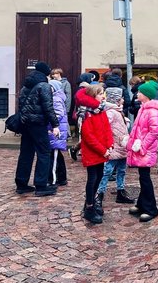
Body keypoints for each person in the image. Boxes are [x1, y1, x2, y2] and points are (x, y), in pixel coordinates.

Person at [15, 61, 60, 197]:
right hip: (38, 124)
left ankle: (21, 184)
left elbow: (21, 104)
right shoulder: (44, 86)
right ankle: (41, 185)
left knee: (26, 153)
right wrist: (55, 125)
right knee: (44, 152)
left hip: (26, 123)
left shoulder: (26, 85)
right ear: (46, 72)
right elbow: (48, 107)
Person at [127, 80, 158, 222]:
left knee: (145, 179)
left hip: (145, 150)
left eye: (140, 92)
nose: (138, 94)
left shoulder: (152, 111)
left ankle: (151, 209)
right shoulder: (143, 108)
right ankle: (142, 204)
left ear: (147, 95)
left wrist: (142, 146)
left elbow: (154, 132)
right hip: (141, 149)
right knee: (143, 178)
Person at [75, 85, 113, 224]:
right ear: (92, 96)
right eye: (100, 94)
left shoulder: (100, 110)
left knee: (99, 177)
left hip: (102, 150)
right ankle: (89, 207)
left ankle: (91, 202)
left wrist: (109, 144)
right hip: (93, 152)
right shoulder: (86, 113)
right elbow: (88, 136)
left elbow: (107, 128)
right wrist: (103, 150)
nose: (103, 96)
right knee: (92, 178)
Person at [96, 87, 135, 207]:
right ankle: (99, 193)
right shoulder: (111, 112)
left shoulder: (118, 111)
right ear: (116, 99)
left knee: (122, 170)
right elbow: (103, 127)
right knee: (107, 171)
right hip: (114, 146)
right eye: (121, 98)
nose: (123, 99)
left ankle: (120, 191)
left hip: (121, 146)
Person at [47, 79, 69, 187]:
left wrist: (48, 123)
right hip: (57, 130)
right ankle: (62, 178)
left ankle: (53, 180)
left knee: (54, 156)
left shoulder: (55, 99)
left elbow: (58, 115)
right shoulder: (57, 98)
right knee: (56, 155)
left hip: (56, 131)